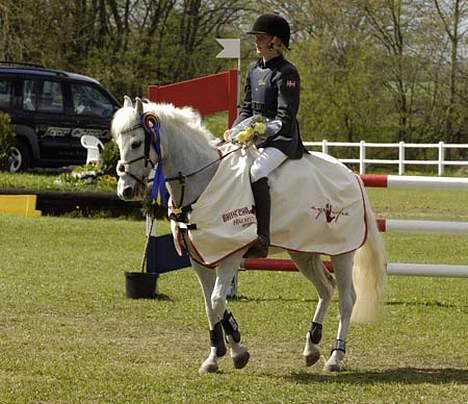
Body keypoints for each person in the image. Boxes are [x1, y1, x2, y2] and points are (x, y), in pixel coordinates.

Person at [229, 13, 307, 258]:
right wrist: (235, 130)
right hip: (256, 137)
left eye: (262, 37)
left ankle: (262, 237)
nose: (257, 41)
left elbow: (286, 116)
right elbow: (246, 108)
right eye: (257, 37)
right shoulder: (253, 70)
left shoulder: (287, 72)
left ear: (276, 42)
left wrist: (257, 133)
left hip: (281, 140)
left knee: (256, 172)